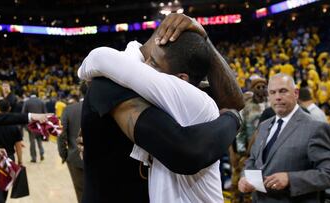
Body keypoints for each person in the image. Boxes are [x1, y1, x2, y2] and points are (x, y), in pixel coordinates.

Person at [77, 14, 244, 203]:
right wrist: (233, 119)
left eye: (153, 63)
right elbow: (184, 150)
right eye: (148, 59)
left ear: (181, 80)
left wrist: (204, 39)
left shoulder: (187, 97)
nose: (147, 66)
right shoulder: (108, 84)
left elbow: (233, 103)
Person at [238, 73, 330, 202]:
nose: (277, 97)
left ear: (296, 93)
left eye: (283, 91)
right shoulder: (264, 125)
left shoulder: (315, 127)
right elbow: (252, 160)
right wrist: (244, 177)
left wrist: (290, 179)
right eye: (273, 92)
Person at [57, 83, 87, 203]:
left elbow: (61, 135)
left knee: (81, 192)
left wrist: (64, 155)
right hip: (101, 160)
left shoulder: (69, 109)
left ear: (80, 92)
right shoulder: (103, 108)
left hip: (75, 158)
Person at [0, 99, 23, 202]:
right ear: (9, 109)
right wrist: (20, 161)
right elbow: (18, 146)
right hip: (9, 159)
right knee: (4, 186)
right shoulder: (14, 125)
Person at [22, 92, 47, 162]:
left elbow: (23, 114)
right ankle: (42, 154)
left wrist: (25, 126)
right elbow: (45, 113)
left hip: (31, 125)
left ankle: (34, 158)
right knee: (39, 140)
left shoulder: (27, 102)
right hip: (40, 124)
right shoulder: (41, 102)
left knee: (32, 142)